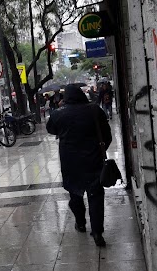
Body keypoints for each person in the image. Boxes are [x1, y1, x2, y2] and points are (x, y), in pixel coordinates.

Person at [46, 84, 112, 246]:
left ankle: (80, 222)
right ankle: (97, 233)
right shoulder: (95, 110)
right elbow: (107, 136)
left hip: (70, 163)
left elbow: (51, 129)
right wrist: (99, 151)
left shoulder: (58, 114)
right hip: (93, 160)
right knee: (95, 196)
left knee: (75, 194)